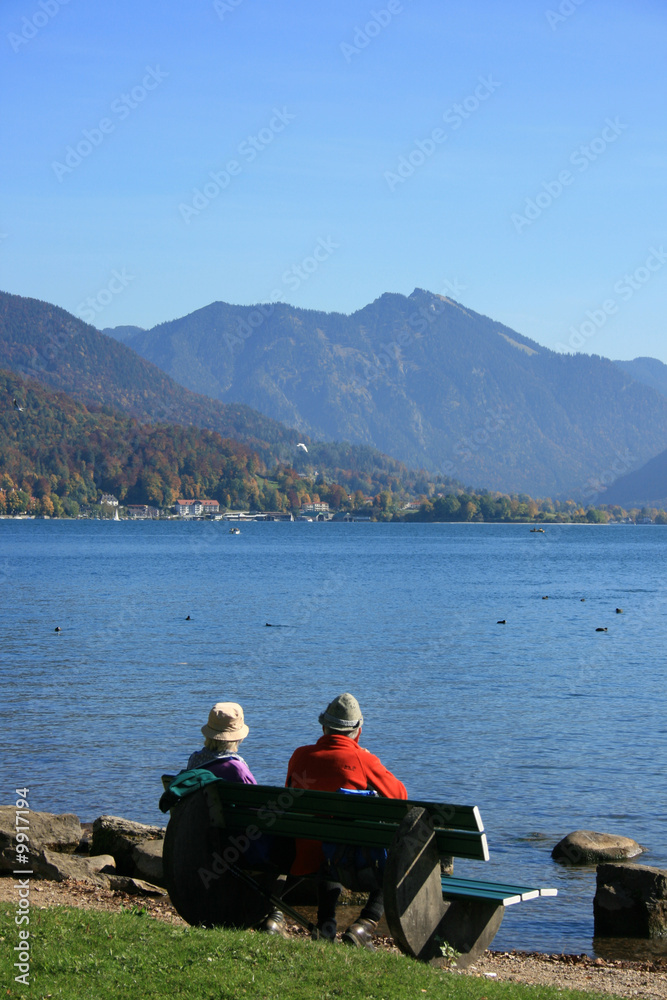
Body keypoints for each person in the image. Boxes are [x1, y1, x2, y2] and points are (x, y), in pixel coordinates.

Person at [286, 693, 407, 949]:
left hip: (303, 853)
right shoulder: (363, 760)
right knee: (399, 856)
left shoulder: (300, 756)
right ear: (358, 732)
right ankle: (365, 924)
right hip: (347, 858)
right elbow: (400, 797)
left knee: (328, 839)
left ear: (323, 727)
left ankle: (327, 923)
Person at [188, 701, 289, 938]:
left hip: (204, 842)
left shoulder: (194, 762)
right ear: (237, 737)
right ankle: (274, 913)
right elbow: (257, 810)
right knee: (285, 841)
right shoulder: (236, 768)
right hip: (238, 849)